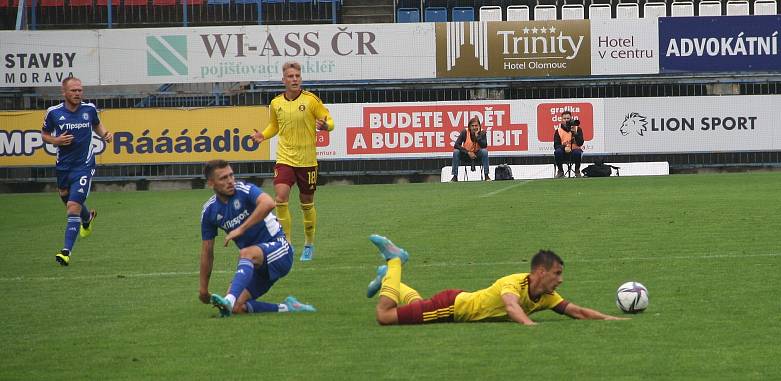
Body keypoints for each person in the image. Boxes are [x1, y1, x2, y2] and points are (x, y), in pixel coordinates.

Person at [365, 234, 627, 326]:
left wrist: (611, 319)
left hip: (454, 302)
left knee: (419, 305)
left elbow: (577, 312)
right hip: (452, 307)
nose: (560, 280)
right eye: (557, 274)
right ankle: (395, 260)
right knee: (385, 316)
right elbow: (512, 307)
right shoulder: (513, 283)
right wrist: (529, 324)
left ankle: (390, 280)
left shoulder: (545, 297)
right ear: (540, 273)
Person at [199, 159, 316, 317]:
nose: (230, 181)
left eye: (231, 175)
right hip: (254, 265)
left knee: (246, 253)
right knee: (237, 307)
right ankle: (289, 307)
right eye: (223, 178)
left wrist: (240, 229)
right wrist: (203, 289)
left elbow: (268, 203)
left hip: (280, 250)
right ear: (211, 183)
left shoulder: (244, 190)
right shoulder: (209, 211)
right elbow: (207, 252)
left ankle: (228, 299)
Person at [250, 61, 334, 262]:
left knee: (306, 203)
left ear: (300, 79)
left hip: (307, 161)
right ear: (284, 80)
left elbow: (329, 121)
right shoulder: (276, 103)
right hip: (285, 158)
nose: (294, 79)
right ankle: (286, 243)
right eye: (290, 76)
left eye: (297, 76)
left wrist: (325, 126)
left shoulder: (311, 100)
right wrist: (263, 135)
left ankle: (309, 243)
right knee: (280, 198)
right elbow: (274, 125)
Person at [40, 77, 112, 266]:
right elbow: (45, 134)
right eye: (73, 90)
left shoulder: (89, 109)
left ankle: (65, 252)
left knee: (72, 206)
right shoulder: (53, 113)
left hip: (84, 166)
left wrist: (104, 134)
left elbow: (96, 123)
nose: (78, 93)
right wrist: (55, 141)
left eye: (80, 90)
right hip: (63, 166)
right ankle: (87, 217)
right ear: (64, 93)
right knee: (65, 195)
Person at [451, 117, 490, 182]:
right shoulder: (465, 132)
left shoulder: (482, 132)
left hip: (477, 154)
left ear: (479, 126)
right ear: (469, 127)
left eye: (476, 125)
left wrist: (477, 137)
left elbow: (484, 145)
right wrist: (468, 152)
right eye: (472, 126)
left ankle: (486, 176)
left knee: (484, 151)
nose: (474, 127)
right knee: (456, 152)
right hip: (466, 155)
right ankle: (455, 176)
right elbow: (456, 145)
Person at [553, 110, 584, 178]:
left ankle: (577, 170)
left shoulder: (578, 129)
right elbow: (556, 145)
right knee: (557, 152)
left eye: (568, 118)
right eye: (564, 118)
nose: (566, 120)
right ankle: (560, 171)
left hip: (574, 152)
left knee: (578, 152)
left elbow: (580, 143)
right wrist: (564, 147)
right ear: (561, 119)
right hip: (563, 153)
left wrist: (575, 134)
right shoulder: (558, 130)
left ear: (571, 119)